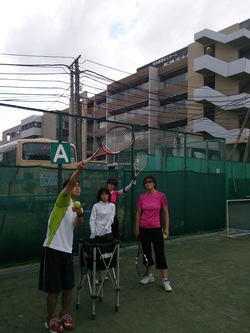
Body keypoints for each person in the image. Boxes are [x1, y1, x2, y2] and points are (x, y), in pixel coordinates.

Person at [38, 161, 85, 333]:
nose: (77, 187)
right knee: (54, 289)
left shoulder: (76, 205)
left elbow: (78, 225)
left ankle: (63, 314)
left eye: (79, 186)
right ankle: (50, 318)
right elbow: (71, 182)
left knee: (68, 287)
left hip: (67, 251)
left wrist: (79, 214)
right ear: (67, 189)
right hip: (52, 249)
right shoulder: (62, 200)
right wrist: (79, 169)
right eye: (75, 185)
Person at [135, 175, 172, 292]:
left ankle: (165, 280)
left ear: (154, 183)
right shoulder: (142, 197)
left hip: (156, 229)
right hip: (144, 228)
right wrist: (137, 229)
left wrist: (166, 228)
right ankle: (149, 276)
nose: (147, 183)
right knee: (146, 253)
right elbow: (138, 213)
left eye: (150, 182)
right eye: (145, 182)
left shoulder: (161, 196)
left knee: (160, 253)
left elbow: (165, 213)